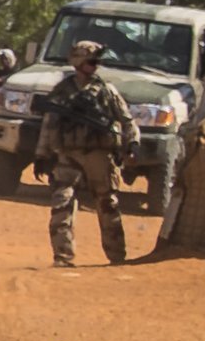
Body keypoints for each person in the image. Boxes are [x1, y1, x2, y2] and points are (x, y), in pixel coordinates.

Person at [35, 37, 138, 268]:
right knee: (61, 203)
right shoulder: (62, 92)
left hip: (100, 155)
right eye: (91, 61)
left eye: (96, 62)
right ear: (78, 62)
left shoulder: (106, 90)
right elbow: (49, 124)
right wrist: (42, 155)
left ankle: (117, 256)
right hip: (68, 154)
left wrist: (132, 144)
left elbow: (127, 120)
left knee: (107, 204)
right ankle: (63, 257)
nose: (95, 66)